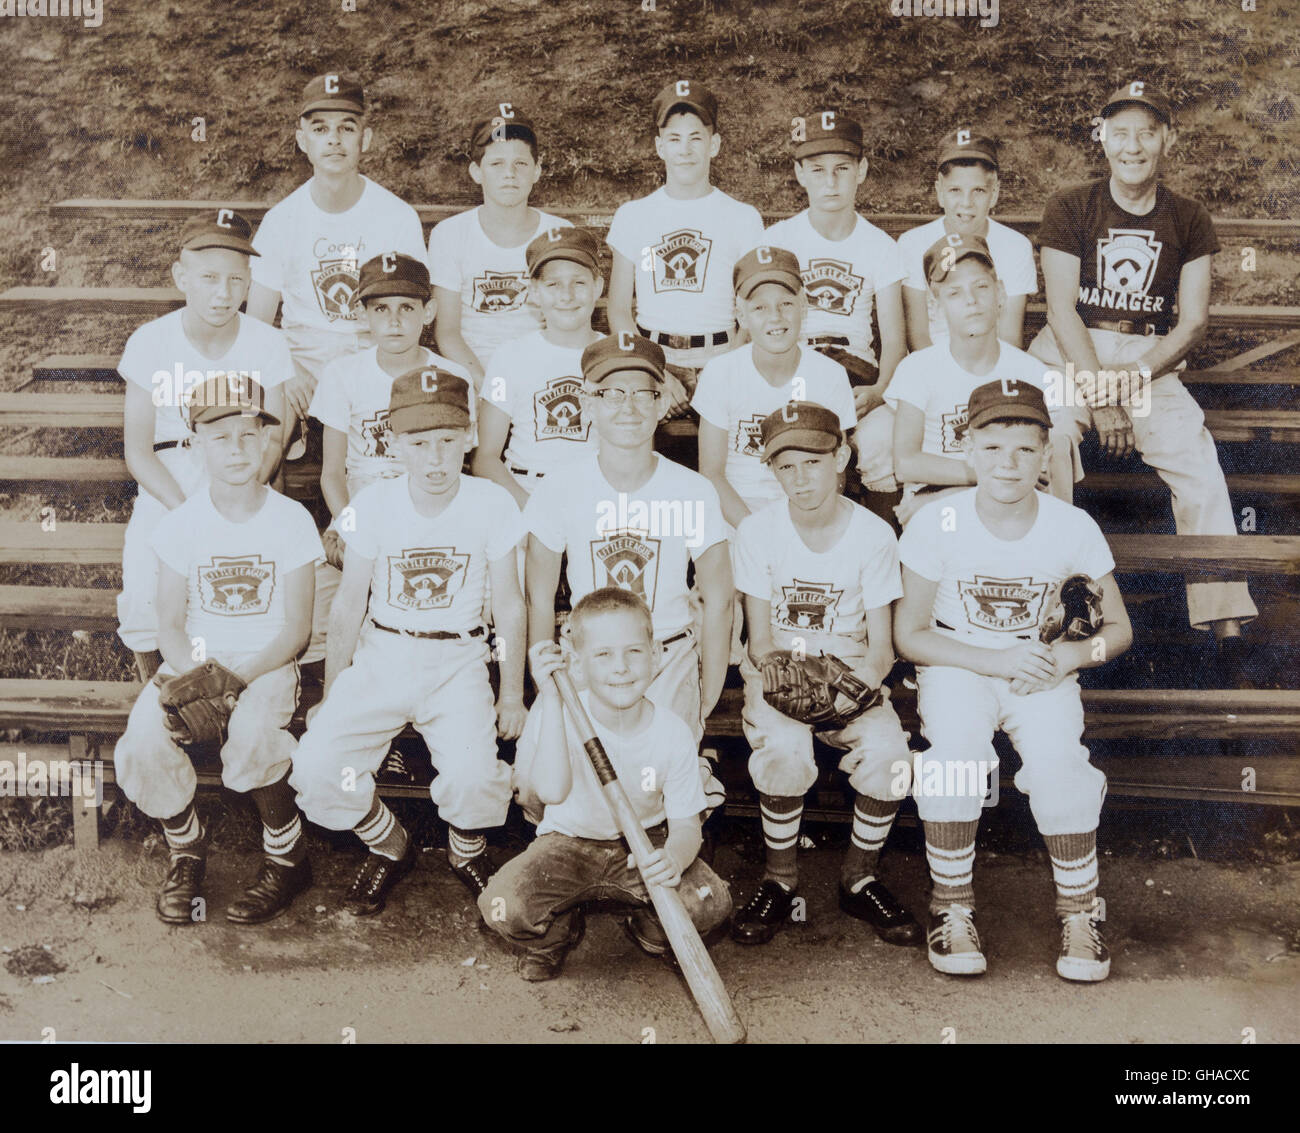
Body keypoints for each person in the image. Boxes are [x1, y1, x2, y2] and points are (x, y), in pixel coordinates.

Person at [894, 379, 1133, 980]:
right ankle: (950, 907)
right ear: (968, 448)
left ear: (1047, 453)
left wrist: (1072, 659)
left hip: (1042, 664)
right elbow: (911, 635)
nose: (1009, 462)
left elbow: (1120, 631)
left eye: (1026, 449)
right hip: (957, 660)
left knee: (1061, 770)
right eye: (994, 446)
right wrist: (994, 661)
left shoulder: (1071, 525)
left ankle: (1080, 912)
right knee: (955, 759)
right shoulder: (935, 520)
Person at [1029, 81, 1255, 651]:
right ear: (1102, 137)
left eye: (1146, 132)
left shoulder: (1188, 216)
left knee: (1196, 461)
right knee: (1050, 440)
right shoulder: (1071, 204)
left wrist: (1128, 384)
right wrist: (1102, 399)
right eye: (1120, 131)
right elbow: (1060, 309)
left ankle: (1221, 620)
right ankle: (1052, 601)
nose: (1132, 146)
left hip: (1148, 360)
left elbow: (1193, 322)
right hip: (1071, 349)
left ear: (1166, 139)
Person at [290, 369, 525, 916]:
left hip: (459, 659)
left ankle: (465, 852)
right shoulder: (373, 504)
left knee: (472, 777)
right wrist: (331, 690)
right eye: (420, 444)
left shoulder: (492, 503)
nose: (436, 458)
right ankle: (388, 843)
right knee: (320, 764)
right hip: (384, 655)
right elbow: (349, 604)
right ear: (395, 445)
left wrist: (511, 692)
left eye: (448, 441)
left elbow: (511, 606)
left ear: (470, 437)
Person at [113, 375, 321, 926]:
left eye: (249, 435)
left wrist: (234, 683)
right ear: (196, 442)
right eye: (221, 437)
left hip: (267, 661)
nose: (237, 449)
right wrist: (198, 679)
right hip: (195, 663)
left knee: (255, 735)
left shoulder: (291, 519)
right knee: (142, 742)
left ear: (266, 441)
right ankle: (187, 850)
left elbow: (297, 629)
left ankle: (288, 856)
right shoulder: (182, 524)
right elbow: (170, 623)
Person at [729, 402, 918, 947]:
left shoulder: (875, 533)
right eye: (785, 467)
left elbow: (882, 650)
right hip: (779, 670)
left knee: (891, 763)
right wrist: (792, 686)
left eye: (812, 462)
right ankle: (780, 879)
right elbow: (760, 641)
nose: (800, 478)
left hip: (851, 667)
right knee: (786, 756)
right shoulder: (758, 530)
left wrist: (851, 692)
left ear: (842, 456)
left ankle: (858, 878)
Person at [478, 588, 732, 981]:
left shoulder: (673, 733)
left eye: (633, 651)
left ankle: (650, 928)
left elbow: (686, 827)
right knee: (501, 905)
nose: (621, 668)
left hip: (644, 845)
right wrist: (549, 698)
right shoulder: (560, 708)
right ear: (576, 665)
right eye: (603, 654)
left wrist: (673, 859)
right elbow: (551, 792)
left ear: (656, 655)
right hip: (567, 844)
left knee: (709, 902)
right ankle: (556, 934)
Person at [522, 333, 732, 808]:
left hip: (665, 653)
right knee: (538, 787)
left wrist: (708, 691)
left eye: (643, 393)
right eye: (611, 393)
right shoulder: (560, 487)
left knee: (655, 790)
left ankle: (694, 769)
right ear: (587, 403)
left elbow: (719, 598)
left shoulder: (691, 490)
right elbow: (538, 594)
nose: (629, 407)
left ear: (662, 405)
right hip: (586, 653)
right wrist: (547, 676)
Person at [117, 210, 290, 679]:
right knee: (142, 594)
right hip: (172, 477)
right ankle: (161, 694)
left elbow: (274, 436)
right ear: (181, 277)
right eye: (209, 277)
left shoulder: (268, 343)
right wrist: (187, 511)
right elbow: (138, 451)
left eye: (237, 280)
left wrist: (245, 491)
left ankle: (249, 690)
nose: (223, 293)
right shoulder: (151, 341)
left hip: (244, 474)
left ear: (251, 282)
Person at [246, 72, 426, 445]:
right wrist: (287, 370)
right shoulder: (282, 219)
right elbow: (258, 323)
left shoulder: (396, 216)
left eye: (347, 127)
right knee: (265, 429)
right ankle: (269, 500)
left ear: (366, 138)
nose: (333, 139)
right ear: (302, 140)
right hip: (304, 358)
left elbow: (409, 311)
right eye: (320, 128)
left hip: (374, 351)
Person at [887, 232, 1080, 527]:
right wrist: (976, 482)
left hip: (1005, 502)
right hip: (943, 503)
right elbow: (906, 464)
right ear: (936, 305)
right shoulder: (917, 369)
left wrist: (950, 494)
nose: (972, 301)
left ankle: (1064, 544)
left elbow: (1044, 469)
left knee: (1060, 445)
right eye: (954, 293)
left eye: (981, 287)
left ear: (1000, 293)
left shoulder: (1031, 372)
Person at [764, 110, 907, 494]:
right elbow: (759, 327)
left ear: (861, 171)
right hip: (793, 366)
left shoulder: (880, 246)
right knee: (792, 443)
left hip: (857, 375)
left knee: (882, 441)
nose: (830, 182)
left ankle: (884, 541)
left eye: (842, 168)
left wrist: (878, 391)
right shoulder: (779, 238)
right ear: (799, 173)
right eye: (817, 170)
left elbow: (895, 341)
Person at [605, 79, 764, 416]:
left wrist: (726, 370)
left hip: (722, 355)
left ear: (715, 145)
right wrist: (654, 371)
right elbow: (618, 309)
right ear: (660, 146)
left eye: (696, 138)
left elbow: (753, 310)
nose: (685, 149)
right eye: (674, 139)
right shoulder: (633, 215)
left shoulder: (742, 217)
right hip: (652, 359)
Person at [309, 251, 471, 569]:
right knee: (333, 588)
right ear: (361, 314)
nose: (394, 321)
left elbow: (460, 465)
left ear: (429, 311)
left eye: (407, 308)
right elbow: (332, 473)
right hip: (360, 503)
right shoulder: (342, 373)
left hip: (431, 499)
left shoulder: (454, 375)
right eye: (381, 309)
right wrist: (350, 525)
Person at [693, 245, 857, 528]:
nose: (775, 317)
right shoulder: (721, 372)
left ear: (803, 307)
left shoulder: (829, 375)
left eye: (786, 304)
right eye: (759, 307)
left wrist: (802, 528)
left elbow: (836, 471)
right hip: (734, 515)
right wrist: (754, 532)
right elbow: (711, 473)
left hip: (807, 515)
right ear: (741, 316)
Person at [428, 106, 572, 389]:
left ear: (537, 170)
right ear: (476, 171)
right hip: (471, 372)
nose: (510, 174)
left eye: (520, 163)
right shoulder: (450, 234)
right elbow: (447, 332)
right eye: (496, 164)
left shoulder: (559, 233)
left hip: (542, 369)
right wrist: (486, 384)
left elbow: (568, 322)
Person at [472, 227, 603, 506]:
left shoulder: (615, 357)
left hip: (595, 495)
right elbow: (485, 458)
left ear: (598, 287)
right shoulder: (509, 356)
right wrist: (531, 511)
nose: (566, 296)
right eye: (553, 285)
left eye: (579, 283)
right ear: (533, 292)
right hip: (524, 490)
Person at [896, 130, 1036, 352]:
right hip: (932, 362)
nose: (966, 203)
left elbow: (1010, 337)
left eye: (978, 191)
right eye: (955, 190)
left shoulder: (1016, 247)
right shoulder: (913, 243)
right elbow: (918, 335)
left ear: (995, 192)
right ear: (940, 191)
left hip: (991, 361)